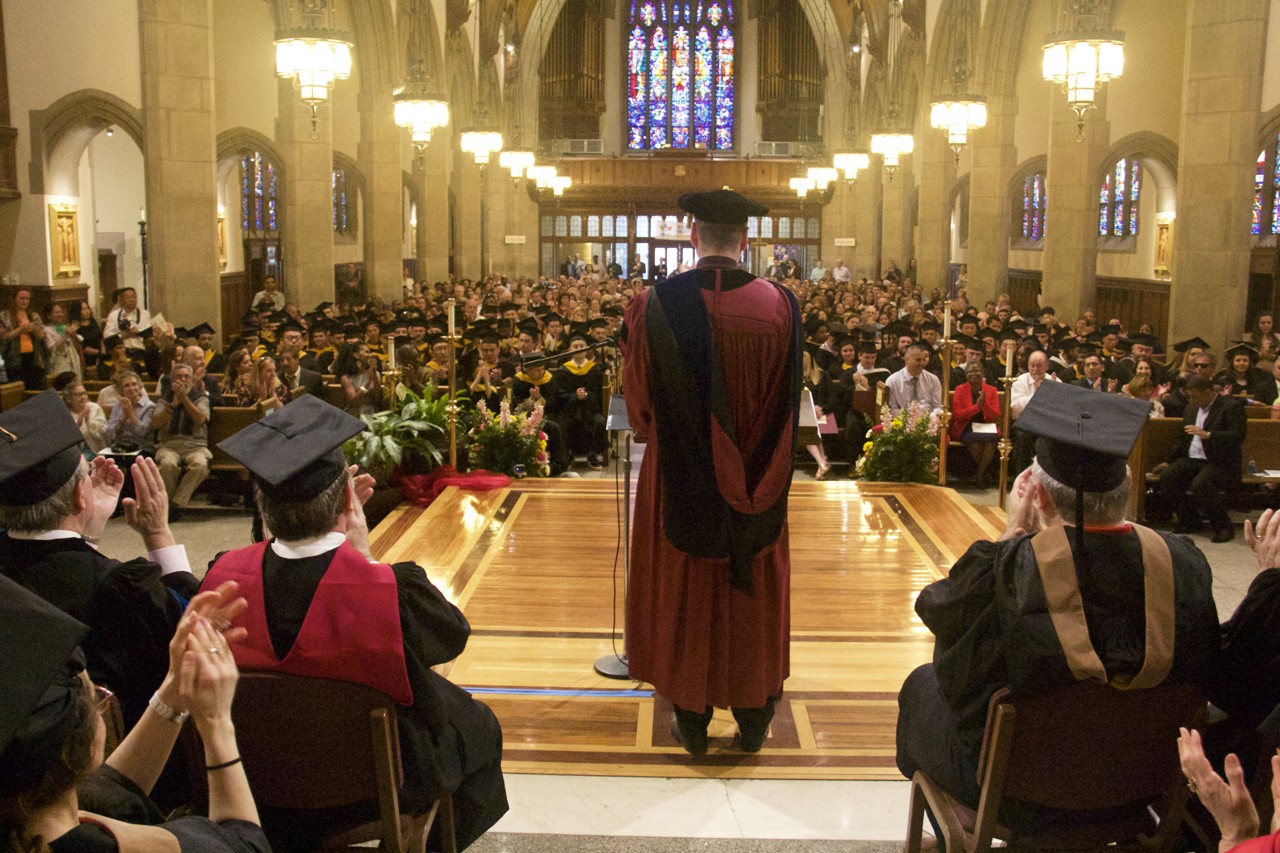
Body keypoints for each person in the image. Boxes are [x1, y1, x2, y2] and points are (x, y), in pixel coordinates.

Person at [895, 381, 1218, 829]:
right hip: (1143, 790)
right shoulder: (1184, 561)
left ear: (1038, 496)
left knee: (921, 685)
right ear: (1126, 487)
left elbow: (939, 614)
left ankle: (973, 819)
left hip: (1017, 794)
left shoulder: (1009, 566)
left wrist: (1010, 534)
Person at [203, 395, 508, 851]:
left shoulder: (219, 581)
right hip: (369, 794)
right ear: (349, 499)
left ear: (261, 506)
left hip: (249, 778)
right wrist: (363, 557)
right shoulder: (389, 589)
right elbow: (451, 637)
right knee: (476, 725)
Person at [621, 187, 802, 755]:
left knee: (687, 582)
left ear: (693, 235)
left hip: (679, 473)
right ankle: (752, 717)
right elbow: (789, 401)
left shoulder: (653, 305)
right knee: (750, 580)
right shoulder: (781, 306)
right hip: (760, 472)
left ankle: (692, 719)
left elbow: (642, 412)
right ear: (746, 240)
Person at [0, 573, 270, 852]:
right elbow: (245, 844)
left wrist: (175, 688)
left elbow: (112, 792)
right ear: (73, 747)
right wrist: (217, 725)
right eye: (98, 700)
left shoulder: (22, 813)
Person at [0, 391, 199, 726]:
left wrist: (87, 532)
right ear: (81, 495)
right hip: (113, 755)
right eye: (88, 470)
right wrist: (158, 534)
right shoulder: (122, 588)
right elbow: (194, 636)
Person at [1152, 374, 1247, 543]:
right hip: (1193, 459)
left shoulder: (1231, 406)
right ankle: (1190, 521)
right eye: (1189, 396)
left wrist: (1209, 435)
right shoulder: (1191, 408)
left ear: (1208, 392)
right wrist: (1168, 460)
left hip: (1219, 461)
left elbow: (1238, 436)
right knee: (1168, 477)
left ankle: (1223, 526)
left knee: (1201, 484)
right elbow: (1182, 438)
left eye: (1195, 396)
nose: (1191, 399)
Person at [152, 363, 212, 515]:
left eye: (186, 377)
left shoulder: (201, 397)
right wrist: (172, 405)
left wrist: (184, 399)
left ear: (192, 380)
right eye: (179, 376)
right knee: (167, 464)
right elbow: (156, 424)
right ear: (172, 380)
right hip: (169, 444)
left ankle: (175, 504)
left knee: (200, 465)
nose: (183, 380)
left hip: (195, 445)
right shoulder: (164, 400)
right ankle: (169, 506)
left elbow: (200, 419)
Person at [552, 334, 607, 469]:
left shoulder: (594, 370)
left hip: (589, 408)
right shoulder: (562, 371)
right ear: (570, 350)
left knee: (600, 421)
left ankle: (593, 455)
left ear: (587, 349)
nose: (578, 349)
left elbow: (599, 394)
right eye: (575, 346)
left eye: (581, 346)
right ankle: (568, 455)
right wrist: (575, 396)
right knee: (561, 424)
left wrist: (587, 395)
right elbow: (559, 395)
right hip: (569, 410)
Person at [949, 361, 1001, 489]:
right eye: (970, 372)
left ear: (983, 374)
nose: (974, 374)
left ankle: (979, 473)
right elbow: (958, 415)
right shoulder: (960, 389)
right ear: (966, 375)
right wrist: (976, 407)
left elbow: (996, 415)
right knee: (975, 442)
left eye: (977, 371)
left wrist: (985, 405)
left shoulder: (991, 390)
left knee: (991, 441)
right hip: (966, 426)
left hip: (986, 425)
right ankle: (983, 473)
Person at [1, 288, 49, 389]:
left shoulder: (33, 316)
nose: (25, 301)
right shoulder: (5, 315)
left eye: (27, 299)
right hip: (14, 359)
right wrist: (20, 329)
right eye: (22, 298)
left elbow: (42, 338)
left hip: (34, 358)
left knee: (35, 388)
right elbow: (4, 337)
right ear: (14, 299)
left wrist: (35, 330)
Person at [104, 372, 156, 454]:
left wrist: (130, 412)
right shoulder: (118, 406)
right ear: (121, 390)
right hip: (120, 447)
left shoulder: (150, 406)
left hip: (142, 447)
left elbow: (142, 432)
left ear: (139, 387)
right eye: (127, 385)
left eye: (134, 384)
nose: (131, 388)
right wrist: (122, 419)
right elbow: (109, 433)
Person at [885, 343, 943, 417]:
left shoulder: (933, 379)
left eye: (924, 359)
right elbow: (892, 409)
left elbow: (937, 406)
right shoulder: (893, 381)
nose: (922, 363)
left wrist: (928, 420)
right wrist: (911, 419)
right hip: (903, 422)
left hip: (928, 422)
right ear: (906, 359)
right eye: (918, 360)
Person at [61, 380, 108, 456]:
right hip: (74, 454)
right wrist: (78, 425)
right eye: (78, 395)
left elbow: (103, 433)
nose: (83, 397)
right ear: (68, 399)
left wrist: (88, 421)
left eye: (84, 393)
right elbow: (64, 439)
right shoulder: (65, 413)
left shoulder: (94, 408)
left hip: (96, 450)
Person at [102, 288, 151, 358]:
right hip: (121, 353)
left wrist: (138, 332)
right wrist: (123, 335)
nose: (131, 300)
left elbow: (148, 334)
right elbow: (108, 337)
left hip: (141, 351)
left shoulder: (145, 314)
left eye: (133, 297)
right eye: (127, 298)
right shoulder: (113, 315)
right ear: (121, 300)